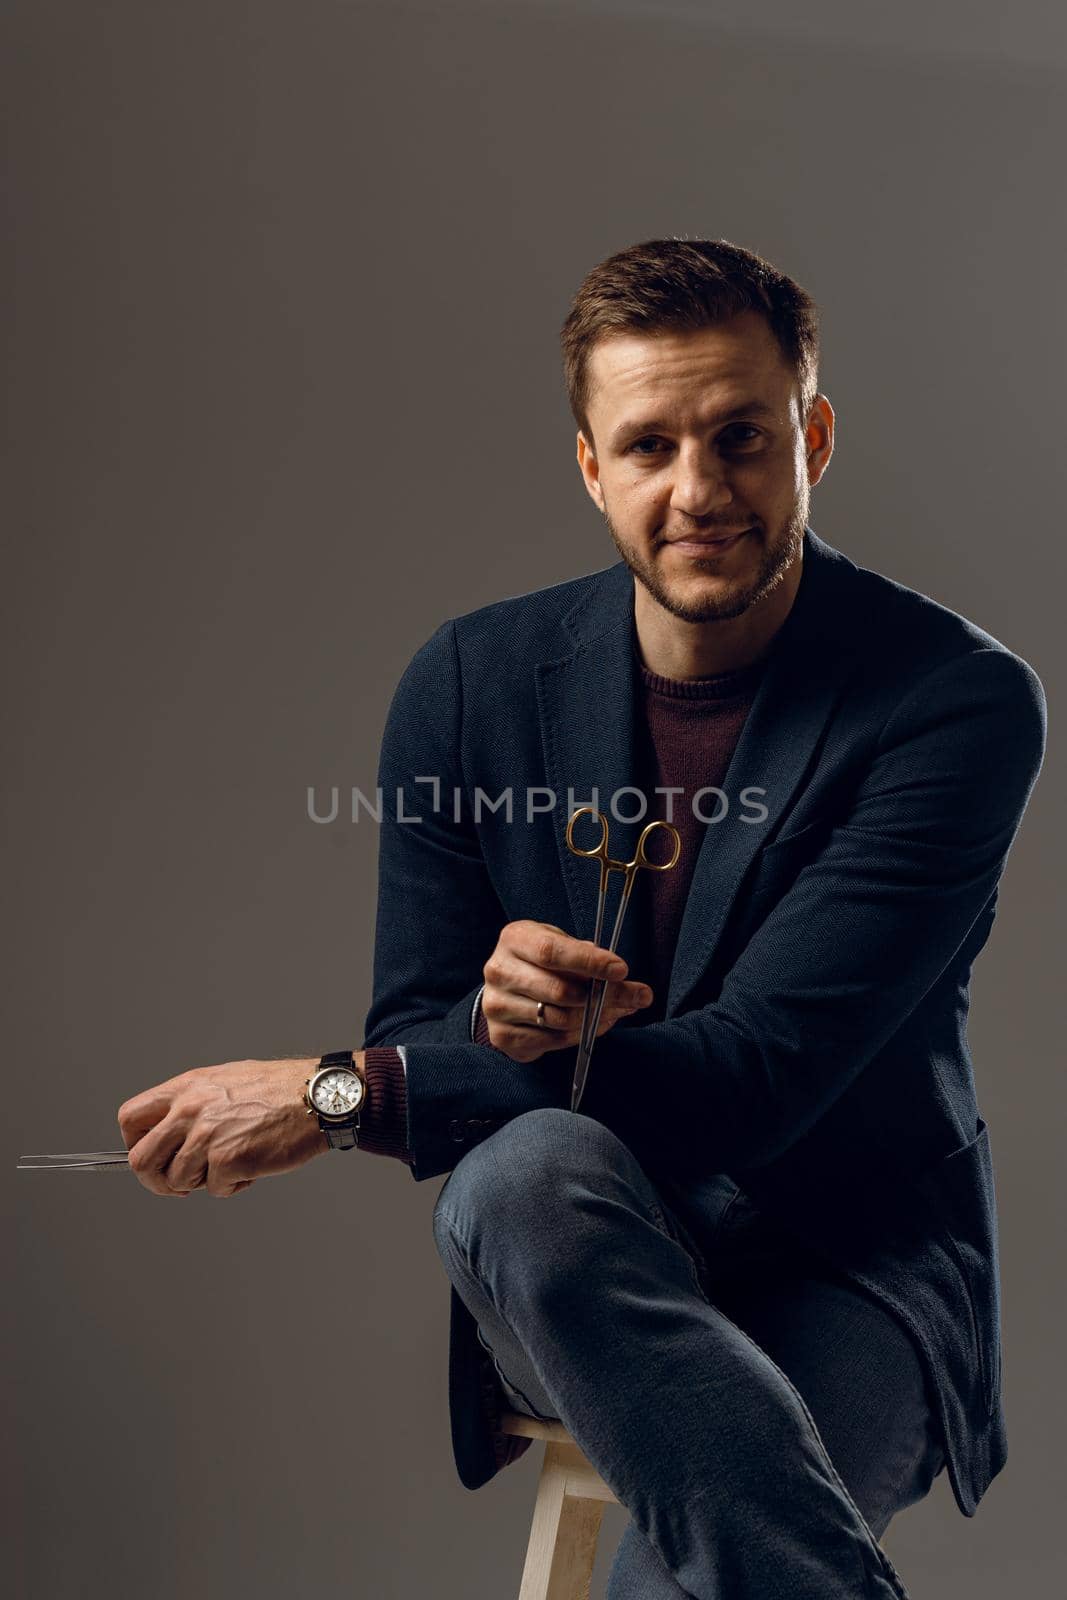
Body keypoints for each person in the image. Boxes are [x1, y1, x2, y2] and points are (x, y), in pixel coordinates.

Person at [117, 239, 1047, 1599]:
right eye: (650, 445)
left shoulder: (954, 703)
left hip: (847, 1259)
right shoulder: (469, 680)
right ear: (590, 468)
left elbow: (752, 1084)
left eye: (742, 437)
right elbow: (422, 1022)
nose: (699, 490)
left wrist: (334, 1096)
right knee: (522, 1174)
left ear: (815, 437)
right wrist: (483, 1033)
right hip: (572, 1255)